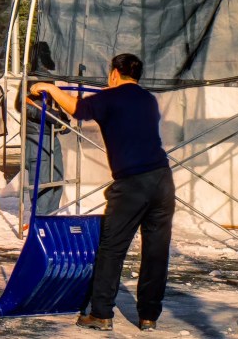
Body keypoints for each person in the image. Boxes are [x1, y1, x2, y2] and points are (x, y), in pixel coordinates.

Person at [30, 53, 173, 333]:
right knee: (156, 251)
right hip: (163, 181)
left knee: (112, 248)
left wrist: (51, 89)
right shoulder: (148, 100)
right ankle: (148, 317)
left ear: (114, 74)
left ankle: (101, 313)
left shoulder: (109, 98)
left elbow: (77, 109)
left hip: (132, 184)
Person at [25, 42, 66, 216]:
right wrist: (52, 116)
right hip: (37, 137)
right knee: (42, 184)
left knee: (57, 181)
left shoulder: (48, 77)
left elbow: (54, 104)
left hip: (52, 135)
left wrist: (62, 118)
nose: (48, 56)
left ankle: (51, 220)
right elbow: (24, 105)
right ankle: (40, 223)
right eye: (44, 53)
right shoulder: (30, 78)